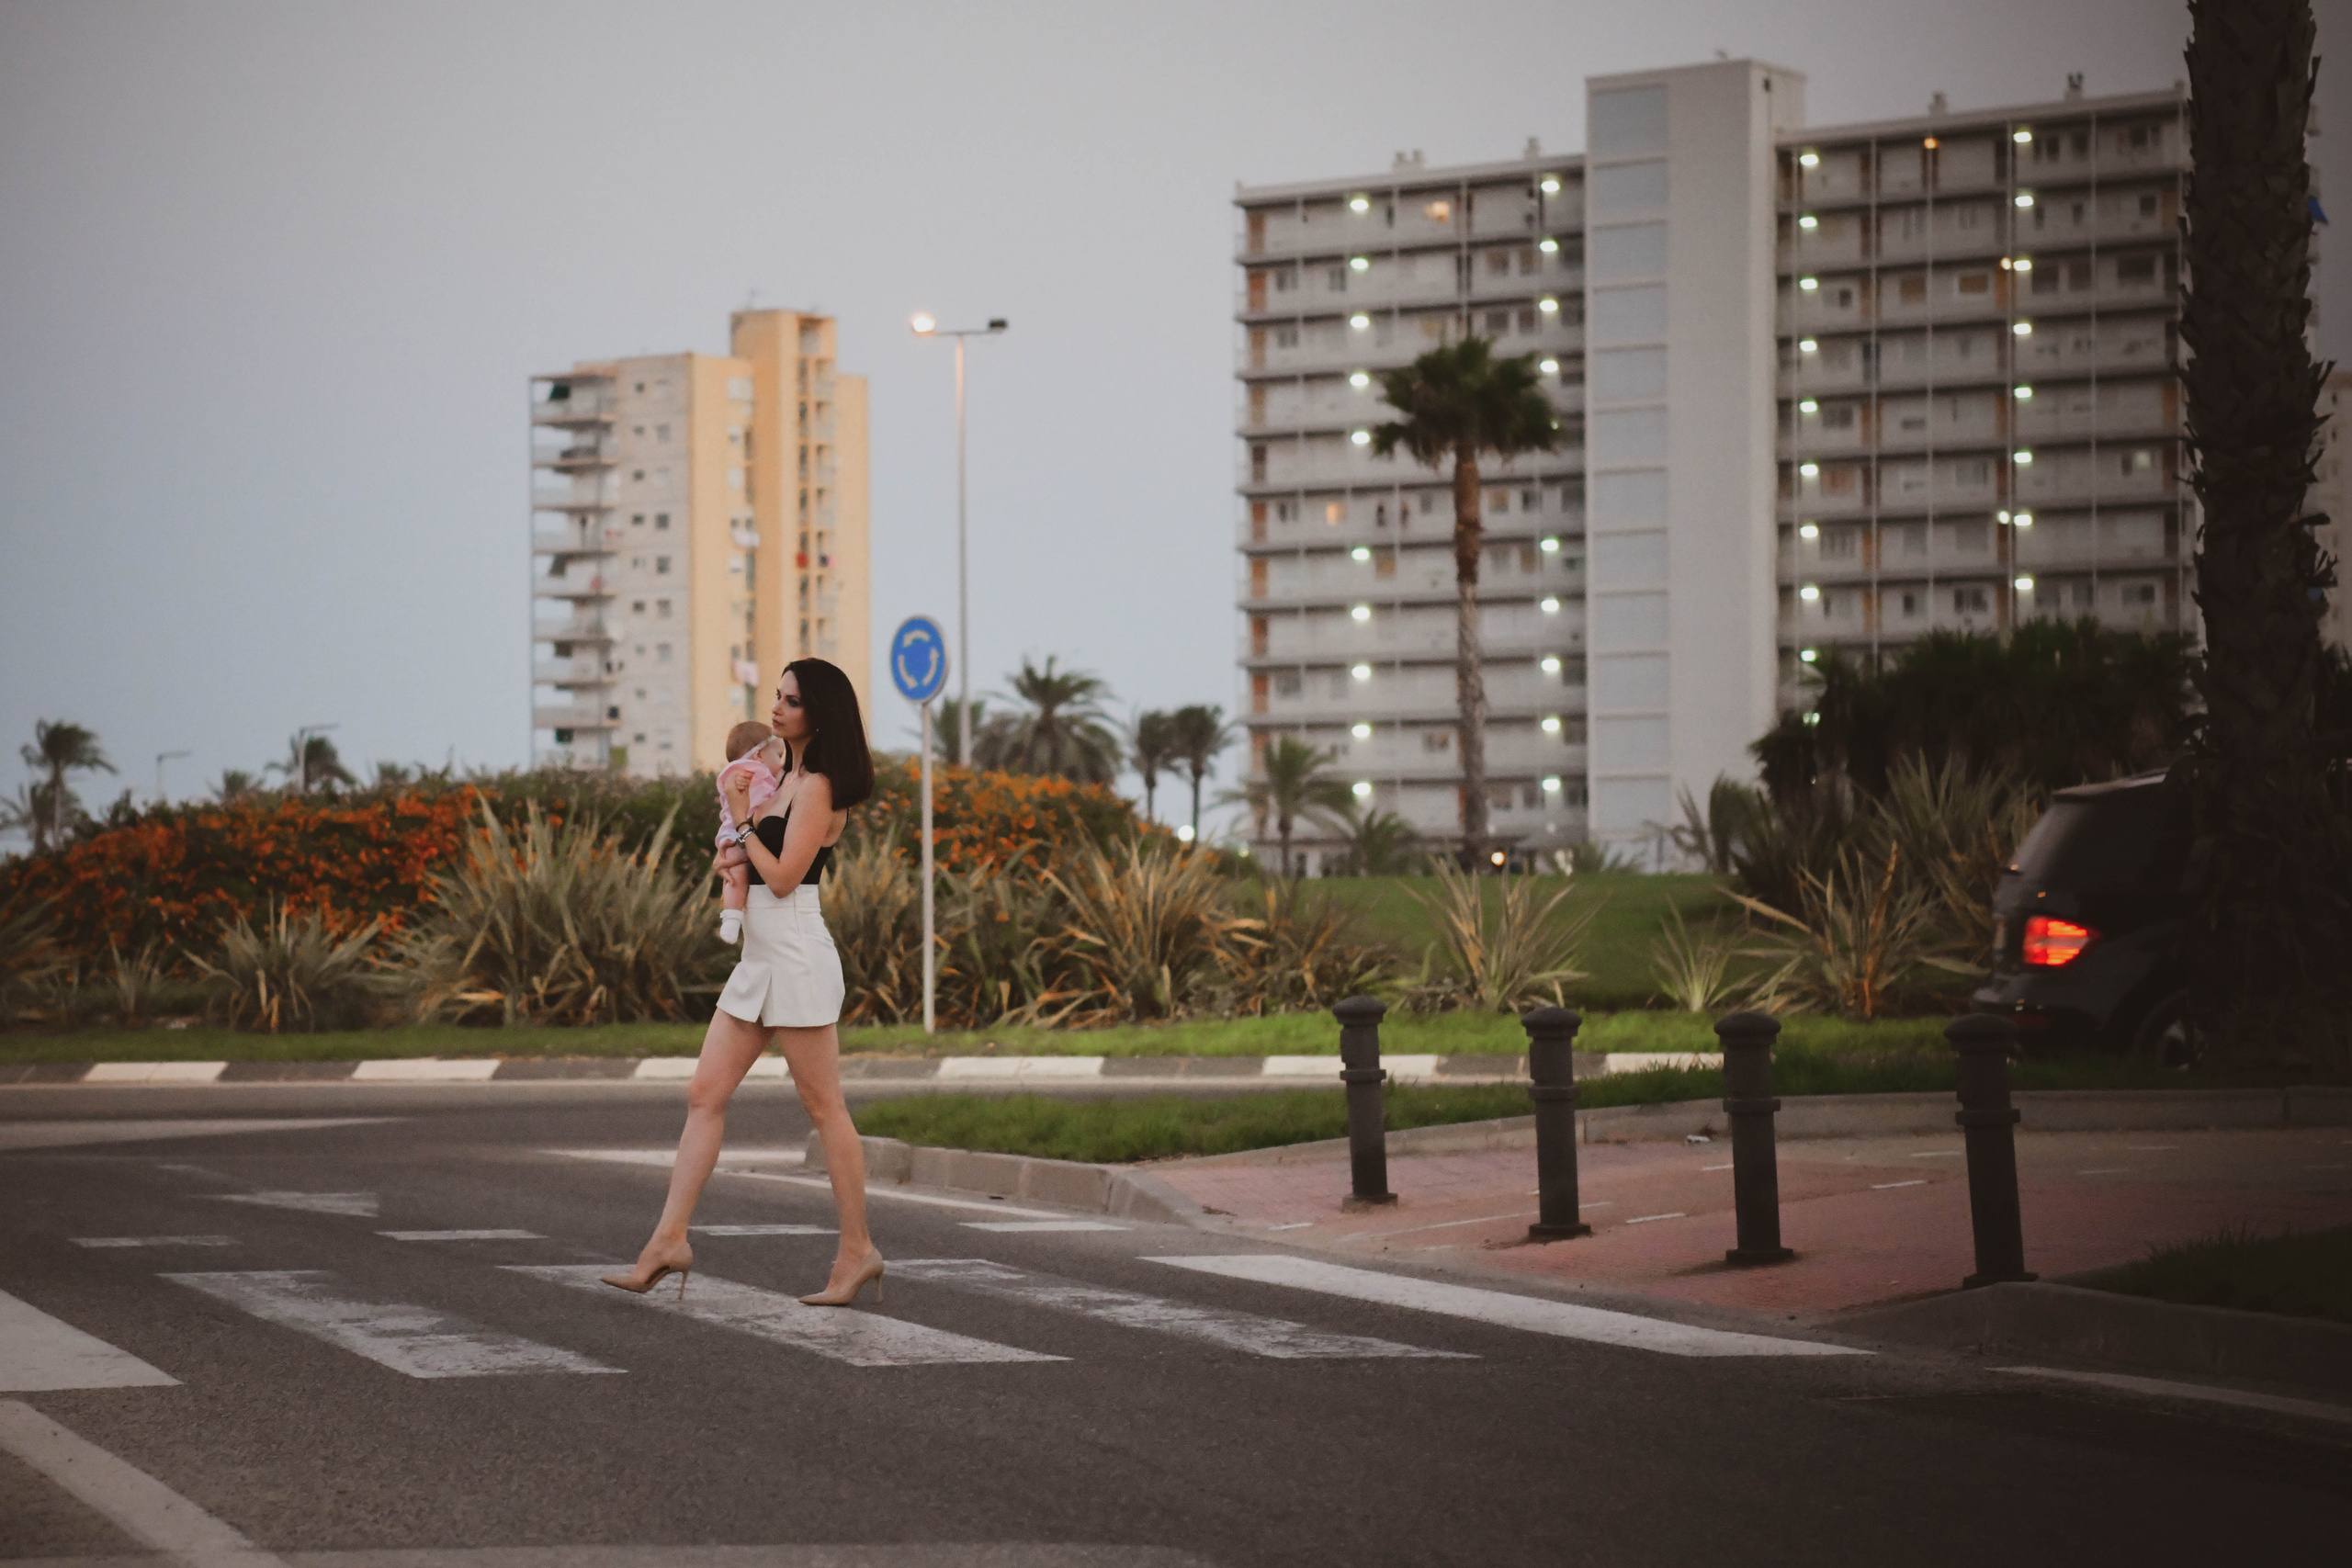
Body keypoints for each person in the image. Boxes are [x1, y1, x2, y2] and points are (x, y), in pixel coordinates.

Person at [602, 658, 883, 1306]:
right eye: (777, 696)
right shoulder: (784, 776)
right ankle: (667, 1240)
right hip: (759, 953)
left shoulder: (819, 787)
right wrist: (732, 847)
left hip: (797, 948)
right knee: (704, 1092)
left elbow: (785, 875)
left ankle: (857, 1250)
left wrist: (746, 826)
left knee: (824, 1107)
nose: (777, 707)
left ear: (819, 712)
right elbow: (753, 859)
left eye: (791, 699)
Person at [713, 720, 786, 945]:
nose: (782, 762)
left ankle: (733, 916)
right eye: (778, 754)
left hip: (746, 833)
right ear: (758, 756)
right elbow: (734, 793)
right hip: (736, 835)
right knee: (737, 873)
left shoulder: (768, 773)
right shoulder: (747, 771)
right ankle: (732, 916)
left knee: (737, 870)